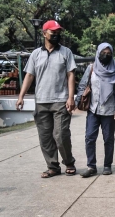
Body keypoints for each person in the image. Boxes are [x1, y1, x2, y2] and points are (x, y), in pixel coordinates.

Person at [16, 20, 77, 178]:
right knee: (45, 136)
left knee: (61, 134)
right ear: (44, 33)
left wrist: (71, 97)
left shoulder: (66, 52)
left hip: (60, 100)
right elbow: (29, 75)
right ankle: (53, 166)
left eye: (58, 33)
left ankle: (69, 162)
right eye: (53, 33)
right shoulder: (36, 54)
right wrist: (21, 97)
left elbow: (71, 75)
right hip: (41, 101)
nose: (56, 35)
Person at [76, 43, 115, 177]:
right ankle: (91, 166)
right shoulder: (91, 68)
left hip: (109, 111)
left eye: (109, 53)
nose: (106, 55)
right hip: (93, 109)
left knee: (108, 139)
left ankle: (107, 165)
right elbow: (82, 85)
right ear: (98, 53)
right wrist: (76, 102)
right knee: (89, 137)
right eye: (103, 52)